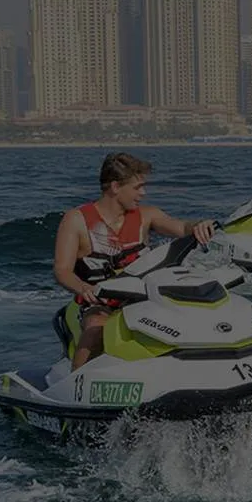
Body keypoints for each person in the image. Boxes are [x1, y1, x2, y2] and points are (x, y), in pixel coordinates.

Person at [52, 152, 217, 370]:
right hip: (98, 302)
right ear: (115, 187)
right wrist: (84, 288)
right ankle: (76, 381)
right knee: (97, 327)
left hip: (142, 298)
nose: (143, 193)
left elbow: (181, 227)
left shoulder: (148, 215)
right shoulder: (76, 220)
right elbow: (62, 270)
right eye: (137, 187)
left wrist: (198, 225)